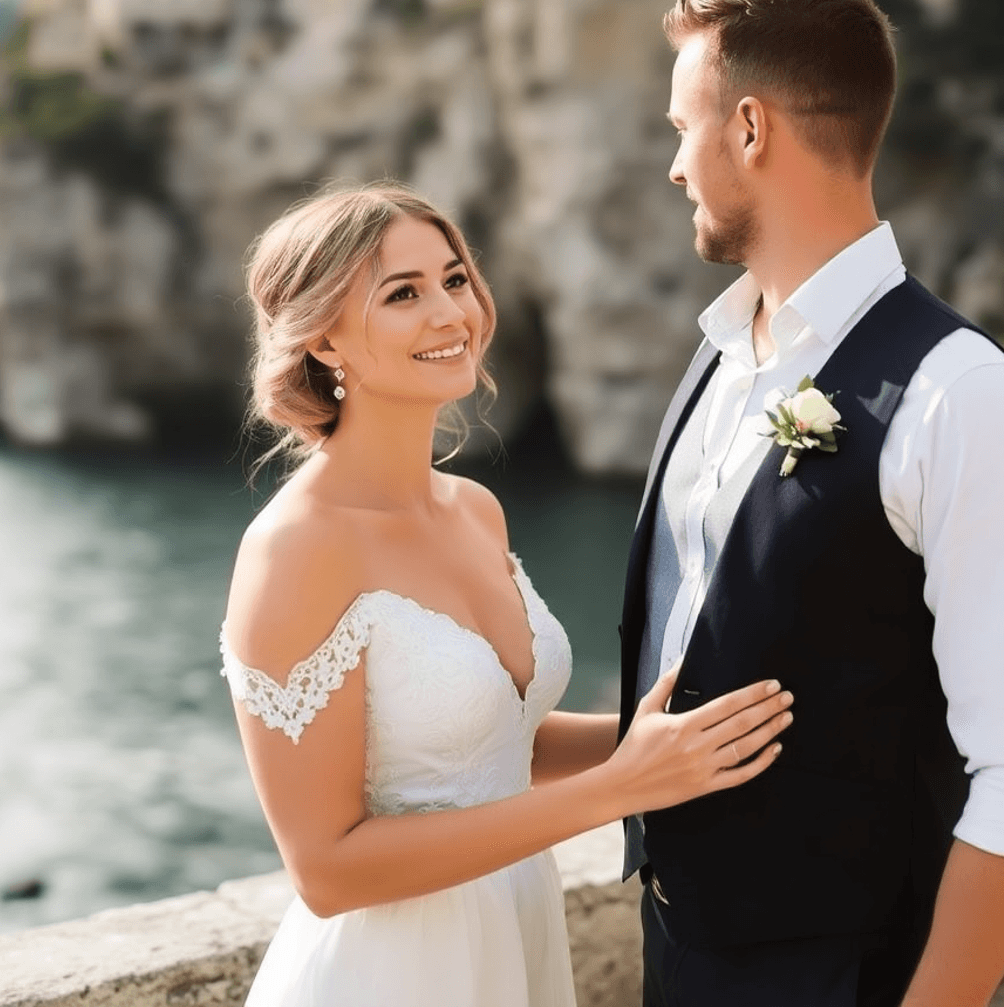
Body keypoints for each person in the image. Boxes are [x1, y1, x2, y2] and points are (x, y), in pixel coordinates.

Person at [619, 0, 1004, 1007]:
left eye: (684, 128)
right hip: (678, 958)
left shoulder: (965, 401)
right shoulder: (716, 358)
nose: (673, 165)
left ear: (751, 129)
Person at [218, 184, 794, 1006]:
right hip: (390, 971)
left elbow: (491, 737)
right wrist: (619, 788)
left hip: (514, 930)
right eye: (403, 294)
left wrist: (675, 736)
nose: (451, 313)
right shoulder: (296, 548)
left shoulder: (474, 509)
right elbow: (327, 871)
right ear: (322, 338)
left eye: (454, 279)